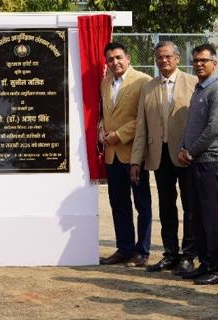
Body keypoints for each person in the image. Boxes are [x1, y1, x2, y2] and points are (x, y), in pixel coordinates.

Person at [131, 41, 198, 275]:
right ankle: (170, 253)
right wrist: (136, 160)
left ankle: (189, 255)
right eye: (159, 57)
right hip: (158, 156)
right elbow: (141, 126)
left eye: (168, 57)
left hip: (186, 155)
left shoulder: (192, 83)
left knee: (190, 205)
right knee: (166, 206)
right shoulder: (148, 87)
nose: (163, 61)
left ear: (178, 58)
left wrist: (194, 150)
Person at [176, 44, 218, 285]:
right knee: (197, 217)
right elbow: (192, 125)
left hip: (210, 162)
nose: (199, 64)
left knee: (212, 217)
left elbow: (214, 128)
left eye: (204, 60)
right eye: (196, 60)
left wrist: (191, 151)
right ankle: (206, 264)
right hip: (194, 162)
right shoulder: (199, 89)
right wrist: (183, 148)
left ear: (214, 63)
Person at [98, 42, 153, 268]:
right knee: (118, 204)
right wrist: (101, 128)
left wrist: (119, 135)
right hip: (112, 155)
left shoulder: (143, 81)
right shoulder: (105, 82)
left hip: (134, 153)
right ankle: (124, 248)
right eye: (110, 59)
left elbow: (145, 118)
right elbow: (104, 112)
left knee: (142, 204)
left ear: (128, 58)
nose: (115, 62)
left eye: (119, 57)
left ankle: (142, 251)